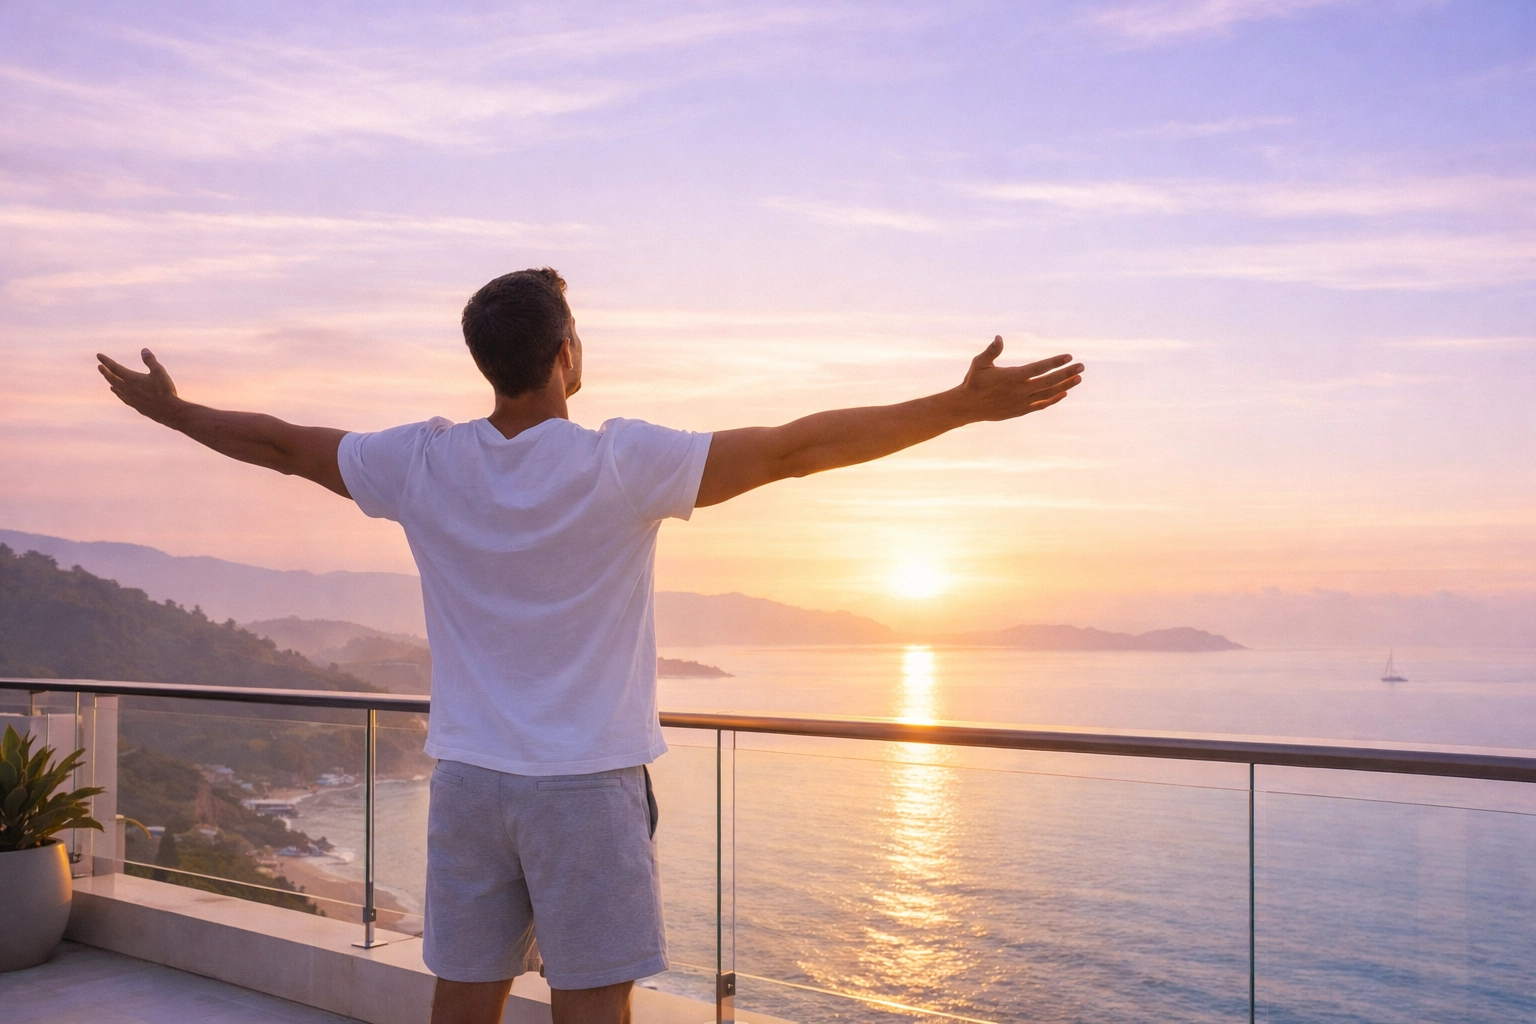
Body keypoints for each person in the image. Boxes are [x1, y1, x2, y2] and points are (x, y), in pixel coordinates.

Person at [97, 267, 1084, 1024]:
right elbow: (794, 448)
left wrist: (172, 410)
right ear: (567, 350)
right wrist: (956, 406)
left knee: (462, 1000)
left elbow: (282, 443)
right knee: (594, 1009)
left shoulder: (425, 461)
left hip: (469, 780)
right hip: (587, 786)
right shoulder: (621, 462)